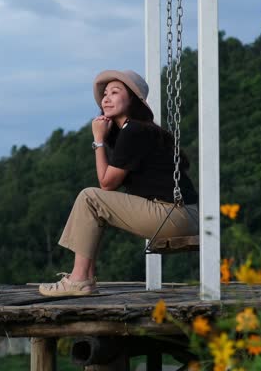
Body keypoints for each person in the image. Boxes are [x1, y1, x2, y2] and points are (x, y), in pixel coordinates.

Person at [38, 69, 199, 297]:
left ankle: (79, 279)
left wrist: (98, 140)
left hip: (174, 214)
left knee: (90, 197)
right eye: (105, 94)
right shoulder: (135, 131)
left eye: (115, 92)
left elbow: (106, 184)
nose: (106, 98)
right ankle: (85, 279)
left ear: (133, 99)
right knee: (95, 205)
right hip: (184, 214)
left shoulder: (134, 130)